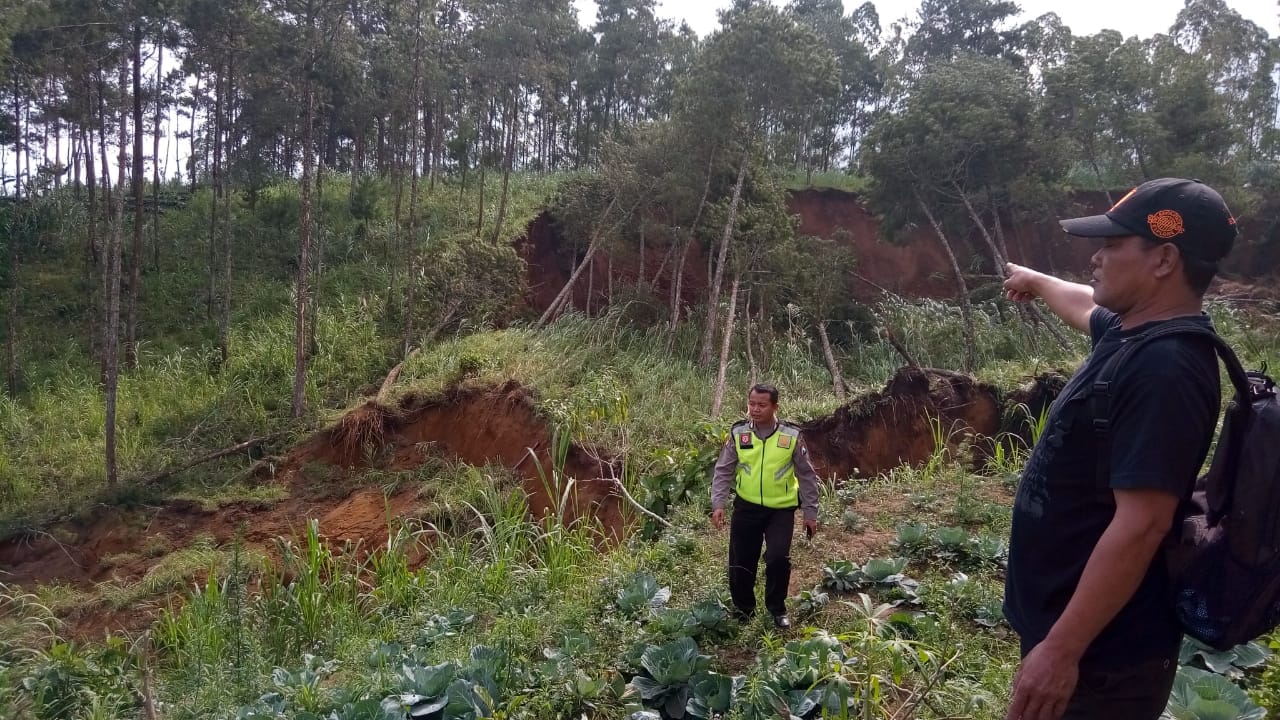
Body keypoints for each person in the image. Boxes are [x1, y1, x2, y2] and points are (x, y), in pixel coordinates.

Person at [1001, 178, 1238, 720]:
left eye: (1112, 245)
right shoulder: (1135, 331)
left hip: (1102, 661)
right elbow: (1085, 304)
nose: (1096, 257)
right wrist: (1036, 281)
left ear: (1163, 259)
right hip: (1077, 639)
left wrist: (1062, 650)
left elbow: (1141, 526)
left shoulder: (1166, 369)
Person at [710, 383, 820, 629]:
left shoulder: (790, 436)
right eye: (752, 404)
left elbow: (806, 475)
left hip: (780, 511)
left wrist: (810, 512)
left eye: (761, 405)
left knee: (778, 558)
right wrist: (718, 503)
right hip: (746, 508)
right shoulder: (739, 433)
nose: (755, 409)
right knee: (741, 560)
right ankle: (743, 608)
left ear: (775, 407)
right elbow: (723, 469)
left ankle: (777, 609)